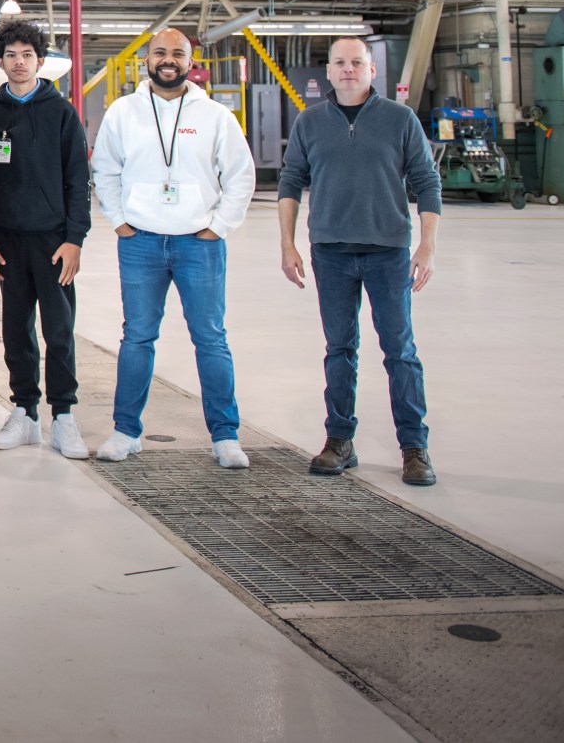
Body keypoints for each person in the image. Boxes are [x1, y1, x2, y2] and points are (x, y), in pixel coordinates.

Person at [277, 36, 443, 486]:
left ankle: (414, 447)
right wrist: (288, 244)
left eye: (356, 62)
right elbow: (291, 182)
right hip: (330, 252)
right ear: (327, 72)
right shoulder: (310, 122)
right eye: (339, 63)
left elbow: (427, 182)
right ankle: (339, 441)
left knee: (400, 352)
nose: (347, 69)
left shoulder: (400, 119)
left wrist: (426, 246)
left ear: (372, 70)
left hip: (388, 252)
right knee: (339, 350)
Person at [91, 28, 257, 469]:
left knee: (211, 339)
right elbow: (104, 169)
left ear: (190, 60)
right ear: (147, 59)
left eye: (177, 54)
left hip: (198, 244)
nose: (168, 60)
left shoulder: (215, 115)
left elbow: (241, 174)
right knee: (137, 338)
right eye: (160, 53)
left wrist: (219, 227)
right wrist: (120, 221)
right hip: (140, 241)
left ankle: (225, 436)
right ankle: (126, 431)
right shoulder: (123, 111)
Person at [0, 19, 93, 460]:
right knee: (16, 330)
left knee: (59, 331)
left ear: (41, 62)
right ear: (0, 62)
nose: (19, 62)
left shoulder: (61, 112)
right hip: (8, 242)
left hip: (53, 241)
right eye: (11, 55)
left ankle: (63, 415)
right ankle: (24, 412)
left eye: (27, 55)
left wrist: (75, 239)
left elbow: (77, 180)